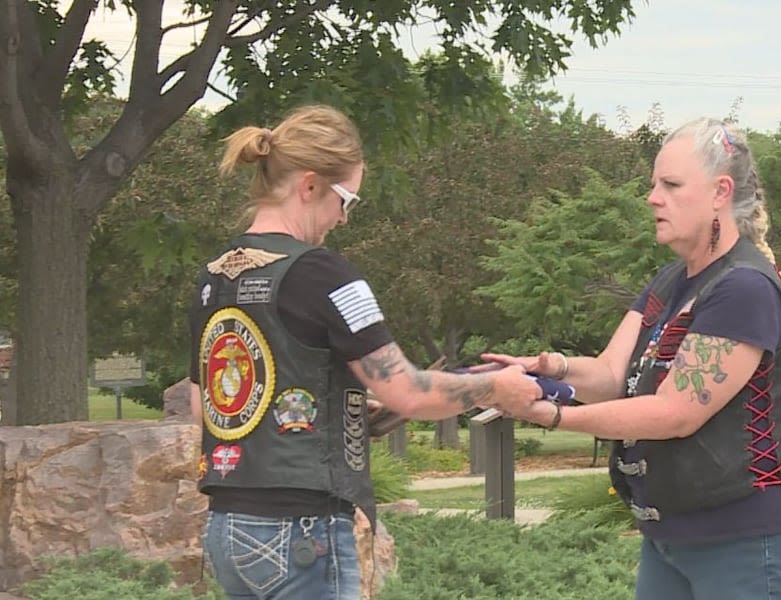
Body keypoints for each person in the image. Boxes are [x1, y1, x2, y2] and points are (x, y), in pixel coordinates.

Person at [186, 104, 541, 600]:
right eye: (346, 199)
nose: (344, 217)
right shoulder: (323, 273)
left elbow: (215, 402)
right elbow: (410, 391)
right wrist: (495, 387)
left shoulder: (215, 276)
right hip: (303, 530)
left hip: (227, 524)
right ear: (309, 186)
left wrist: (344, 409)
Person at [483, 118, 781, 600]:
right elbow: (609, 374)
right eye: (653, 184)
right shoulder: (671, 281)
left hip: (747, 539)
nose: (652, 198)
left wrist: (549, 415)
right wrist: (545, 370)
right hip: (671, 536)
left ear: (720, 192)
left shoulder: (745, 287)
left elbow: (675, 412)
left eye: (671, 185)